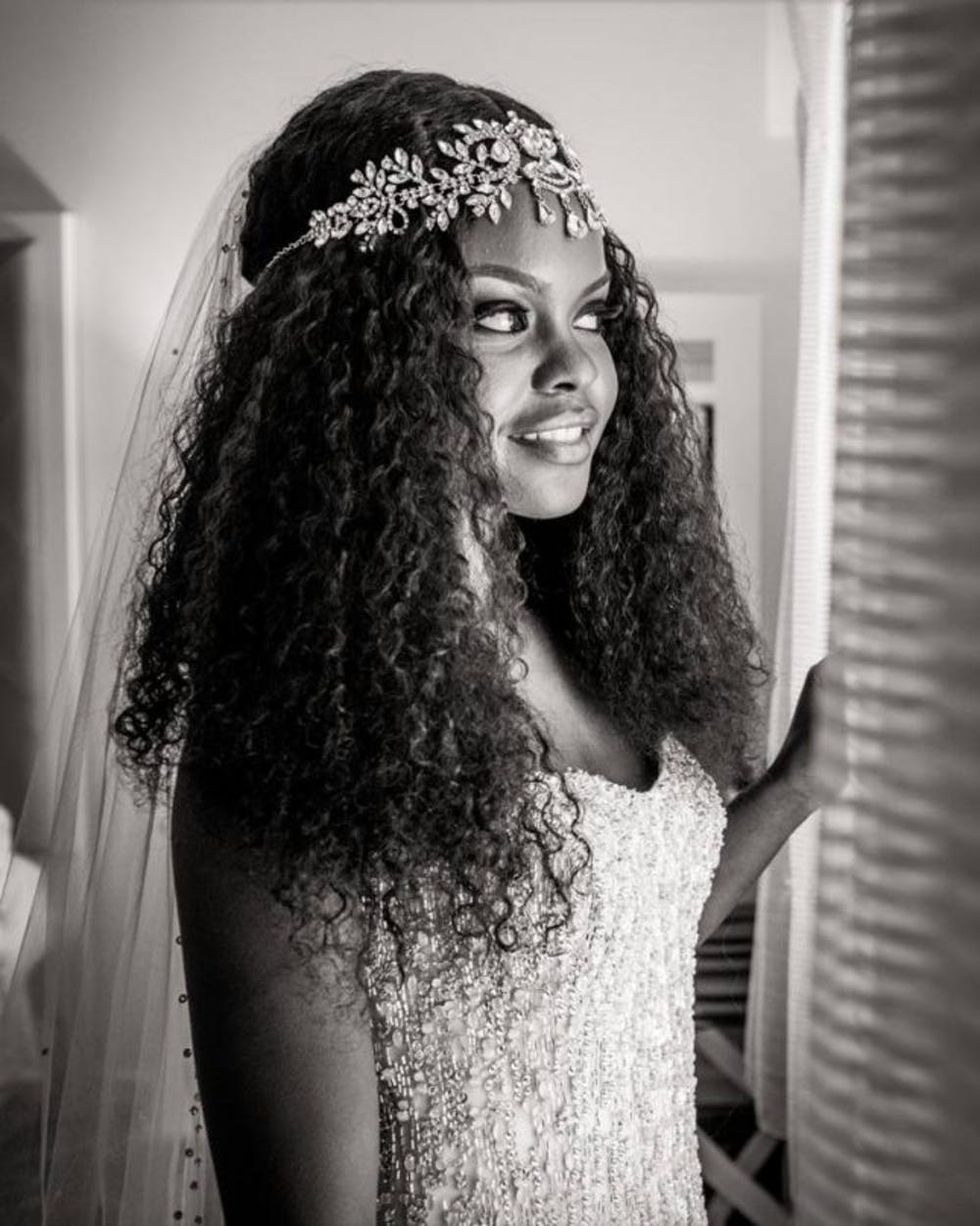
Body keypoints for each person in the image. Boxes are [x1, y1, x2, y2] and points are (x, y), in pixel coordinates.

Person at [1, 68, 826, 1225]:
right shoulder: (293, 740)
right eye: (501, 313)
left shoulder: (575, 627)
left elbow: (608, 960)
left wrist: (798, 784)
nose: (578, 366)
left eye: (592, 313)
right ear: (357, 352)